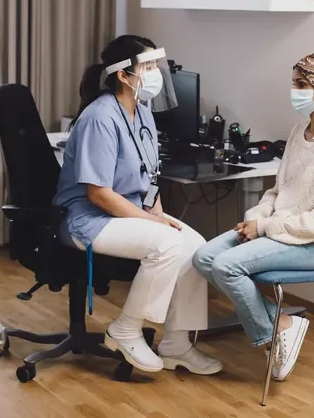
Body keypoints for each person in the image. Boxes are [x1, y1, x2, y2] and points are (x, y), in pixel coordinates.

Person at [52, 35, 221, 375]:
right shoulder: (100, 118)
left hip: (128, 211)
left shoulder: (143, 114)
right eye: (148, 66)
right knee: (167, 243)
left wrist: (158, 216)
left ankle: (176, 344)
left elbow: (149, 177)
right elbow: (99, 194)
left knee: (196, 246)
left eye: (156, 65)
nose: (156, 72)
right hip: (88, 219)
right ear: (123, 75)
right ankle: (126, 328)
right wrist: (153, 223)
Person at [193, 52, 314, 381]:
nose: (293, 91)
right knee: (204, 257)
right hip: (282, 231)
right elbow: (278, 190)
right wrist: (256, 218)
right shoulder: (301, 130)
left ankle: (270, 336)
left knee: (226, 265)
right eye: (294, 84)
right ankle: (282, 322)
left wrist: (264, 227)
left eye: (301, 85)